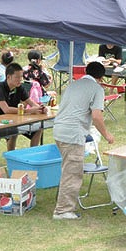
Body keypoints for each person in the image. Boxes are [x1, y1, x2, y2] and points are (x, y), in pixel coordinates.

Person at [51, 60, 115, 220]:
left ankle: (63, 204)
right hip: (72, 133)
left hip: (59, 130)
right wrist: (107, 134)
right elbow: (96, 116)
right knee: (72, 173)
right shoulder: (97, 89)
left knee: (68, 169)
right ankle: (63, 210)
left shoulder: (73, 84)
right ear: (102, 77)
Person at [0, 62, 46, 151]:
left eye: (21, 77)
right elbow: (6, 110)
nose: (20, 80)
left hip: (12, 120)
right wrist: (28, 110)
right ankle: (11, 156)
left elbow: (31, 102)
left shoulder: (19, 87)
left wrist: (41, 108)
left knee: (38, 128)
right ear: (8, 77)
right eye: (17, 77)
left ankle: (33, 153)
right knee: (14, 130)